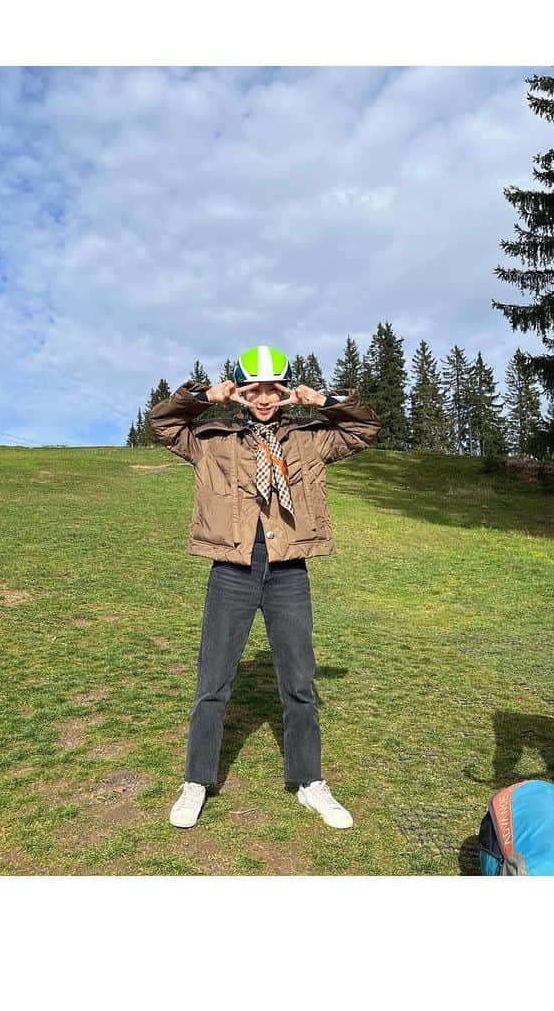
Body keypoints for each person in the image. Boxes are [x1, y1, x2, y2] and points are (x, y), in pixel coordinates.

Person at [149, 344, 381, 829]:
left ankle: (309, 782)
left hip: (288, 570)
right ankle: (196, 780)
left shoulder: (310, 437)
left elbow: (364, 429)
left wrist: (323, 402)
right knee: (212, 682)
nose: (264, 397)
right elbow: (163, 424)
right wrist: (200, 398)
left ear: (285, 388)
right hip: (231, 569)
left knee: (298, 682)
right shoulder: (209, 436)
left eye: (274, 388)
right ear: (239, 388)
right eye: (254, 388)